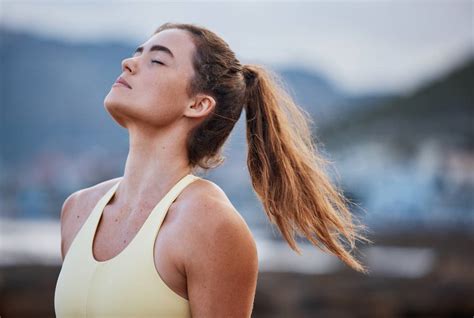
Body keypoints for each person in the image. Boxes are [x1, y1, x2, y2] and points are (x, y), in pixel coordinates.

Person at [54, 22, 371, 317]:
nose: (128, 63)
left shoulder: (210, 224)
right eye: (137, 53)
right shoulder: (78, 210)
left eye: (157, 61)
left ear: (198, 104)